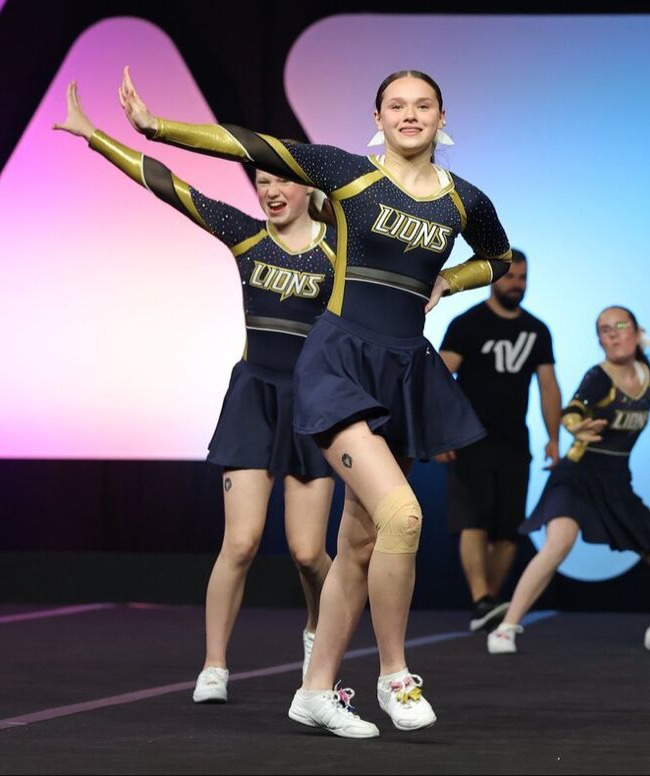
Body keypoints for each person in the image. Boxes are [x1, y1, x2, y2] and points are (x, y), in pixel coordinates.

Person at [115, 67, 512, 736]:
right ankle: (394, 675)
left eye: (422, 105)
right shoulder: (345, 173)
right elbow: (247, 144)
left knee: (359, 543)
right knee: (403, 517)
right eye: (396, 105)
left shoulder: (465, 200)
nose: (409, 114)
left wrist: (451, 279)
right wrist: (158, 128)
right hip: (337, 365)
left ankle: (315, 690)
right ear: (378, 118)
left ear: (442, 118)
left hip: (402, 373)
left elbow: (498, 258)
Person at [53, 81, 335, 702]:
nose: (270, 190)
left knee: (309, 552)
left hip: (313, 405)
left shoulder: (338, 252)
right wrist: (95, 136)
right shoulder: (246, 237)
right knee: (241, 541)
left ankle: (319, 632)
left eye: (282, 180)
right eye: (261, 180)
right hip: (254, 399)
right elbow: (172, 188)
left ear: (309, 187)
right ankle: (214, 666)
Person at [486, 307, 650, 658]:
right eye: (604, 329)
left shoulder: (649, 380)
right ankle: (505, 628)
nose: (613, 334)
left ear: (637, 332)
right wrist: (573, 426)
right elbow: (574, 409)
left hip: (617, 485)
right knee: (559, 543)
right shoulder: (598, 377)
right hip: (577, 476)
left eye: (621, 326)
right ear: (599, 340)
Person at [435, 250, 560, 632]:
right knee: (473, 521)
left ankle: (488, 602)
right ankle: (481, 601)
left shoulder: (537, 330)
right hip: (470, 439)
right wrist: (438, 432)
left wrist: (554, 438)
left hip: (514, 442)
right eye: (510, 277)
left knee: (509, 529)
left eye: (522, 278)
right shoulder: (467, 324)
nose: (517, 284)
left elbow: (548, 386)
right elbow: (438, 377)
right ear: (494, 279)